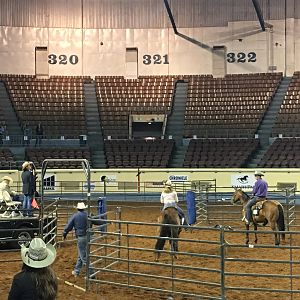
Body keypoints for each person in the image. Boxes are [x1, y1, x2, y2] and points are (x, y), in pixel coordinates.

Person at [63, 202, 95, 278]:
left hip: (81, 237)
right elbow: (96, 221)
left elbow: (68, 226)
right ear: (84, 208)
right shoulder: (88, 215)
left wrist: (64, 233)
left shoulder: (75, 216)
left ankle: (91, 273)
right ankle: (76, 271)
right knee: (81, 254)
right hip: (89, 236)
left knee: (83, 256)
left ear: (77, 208)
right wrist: (104, 221)